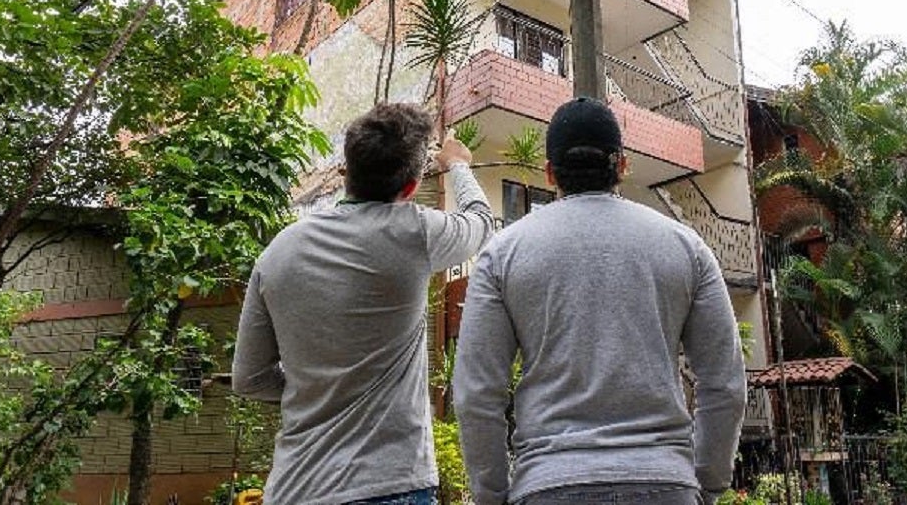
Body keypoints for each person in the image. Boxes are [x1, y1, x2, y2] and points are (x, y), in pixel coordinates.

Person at [453, 97, 745, 505]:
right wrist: (707, 485)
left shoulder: (503, 253)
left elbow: (477, 393)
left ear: (550, 172)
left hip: (549, 484)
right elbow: (725, 383)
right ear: (622, 165)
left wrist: (492, 495)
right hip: (665, 483)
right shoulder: (686, 247)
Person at [233, 102, 494, 505]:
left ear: (346, 173)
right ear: (409, 188)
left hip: (295, 489)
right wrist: (457, 163)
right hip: (389, 484)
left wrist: (316, 388)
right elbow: (481, 222)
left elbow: (249, 378)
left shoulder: (278, 253)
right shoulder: (415, 232)